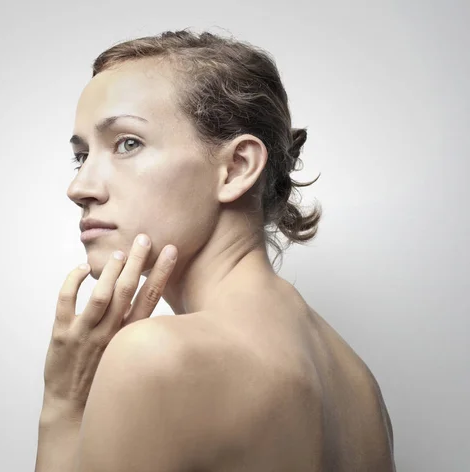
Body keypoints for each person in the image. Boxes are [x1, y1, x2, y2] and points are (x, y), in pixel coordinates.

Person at [39, 28, 396, 471]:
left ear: (237, 167)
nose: (80, 187)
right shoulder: (359, 386)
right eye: (82, 156)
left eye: (128, 143)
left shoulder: (153, 355)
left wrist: (63, 403)